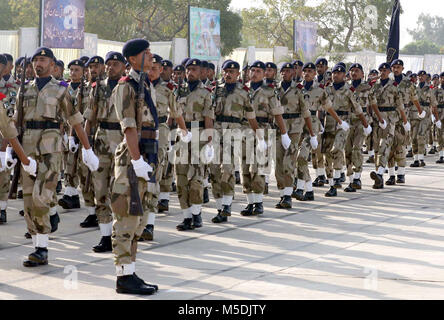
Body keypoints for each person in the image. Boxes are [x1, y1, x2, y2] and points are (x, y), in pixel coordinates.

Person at [14, 47, 98, 267]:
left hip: (51, 149)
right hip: (28, 147)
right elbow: (14, 123)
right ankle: (37, 242)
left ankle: (42, 249)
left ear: (52, 65)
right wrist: (8, 151)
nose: (38, 64)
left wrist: (86, 148)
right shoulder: (24, 90)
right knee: (29, 200)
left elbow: (75, 119)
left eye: (43, 60)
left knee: (41, 198)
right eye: (35, 60)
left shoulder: (61, 89)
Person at [111, 38, 159, 294]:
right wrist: (137, 159)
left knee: (139, 219)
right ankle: (123, 277)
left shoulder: (145, 83)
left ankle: (129, 272)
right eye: (146, 53)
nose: (151, 56)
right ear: (132, 58)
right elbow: (129, 127)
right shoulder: (126, 86)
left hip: (146, 157)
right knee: (127, 219)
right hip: (133, 159)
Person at [83, 52, 127, 252]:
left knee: (119, 191)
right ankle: (105, 235)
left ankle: (123, 233)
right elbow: (89, 118)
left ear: (123, 66)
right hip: (101, 140)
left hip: (122, 140)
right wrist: (86, 147)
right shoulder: (98, 88)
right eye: (108, 64)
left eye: (115, 64)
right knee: (100, 190)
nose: (111, 67)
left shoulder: (129, 87)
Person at [209, 60, 259, 223]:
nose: (228, 74)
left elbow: (251, 116)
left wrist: (258, 135)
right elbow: (209, 113)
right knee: (214, 170)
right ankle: (219, 207)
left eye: (232, 72)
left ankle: (227, 205)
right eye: (226, 71)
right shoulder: (216, 89)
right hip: (217, 130)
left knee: (228, 168)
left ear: (238, 74)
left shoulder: (244, 91)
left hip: (234, 131)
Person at [147, 54, 190, 237]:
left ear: (161, 70)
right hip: (139, 136)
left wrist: (184, 131)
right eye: (149, 68)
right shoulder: (137, 87)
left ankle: (149, 223)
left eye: (155, 68)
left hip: (160, 136)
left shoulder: (167, 90)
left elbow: (176, 112)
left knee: (153, 178)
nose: (151, 71)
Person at [240, 61, 288, 216]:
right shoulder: (242, 89)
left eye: (258, 71)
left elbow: (277, 113)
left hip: (264, 129)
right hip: (245, 130)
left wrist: (284, 133)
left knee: (259, 167)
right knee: (245, 167)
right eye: (252, 70)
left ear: (264, 73)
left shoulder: (269, 91)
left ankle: (259, 202)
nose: (254, 73)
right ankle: (250, 202)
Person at [295, 62, 345, 201]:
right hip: (297, 124)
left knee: (302, 156)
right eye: (305, 71)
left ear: (314, 73)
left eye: (310, 71)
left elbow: (328, 108)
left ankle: (302, 188)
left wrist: (339, 121)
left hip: (312, 125)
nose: (307, 73)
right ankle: (308, 189)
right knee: (298, 159)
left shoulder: (320, 90)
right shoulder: (297, 88)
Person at [174, 58, 214, 231]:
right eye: (188, 69)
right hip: (182, 136)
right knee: (181, 177)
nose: (190, 72)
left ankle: (197, 214)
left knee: (196, 177)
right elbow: (174, 114)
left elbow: (208, 119)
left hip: (199, 135)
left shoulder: (205, 93)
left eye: (194, 70)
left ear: (201, 72)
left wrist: (209, 143)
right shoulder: (177, 91)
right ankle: (187, 216)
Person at [323, 64, 372, 197]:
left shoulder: (349, 90)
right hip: (329, 124)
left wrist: (366, 124)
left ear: (343, 76)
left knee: (339, 149)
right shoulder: (327, 89)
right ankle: (333, 183)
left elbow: (358, 109)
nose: (335, 75)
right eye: (333, 73)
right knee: (328, 154)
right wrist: (320, 124)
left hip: (344, 124)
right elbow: (321, 107)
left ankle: (351, 178)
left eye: (339, 73)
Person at [274, 62, 316, 209]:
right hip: (278, 129)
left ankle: (287, 196)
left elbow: (306, 113)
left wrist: (312, 134)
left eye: (288, 71)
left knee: (289, 162)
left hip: (294, 130)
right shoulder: (275, 89)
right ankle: (282, 194)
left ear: (293, 73)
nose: (285, 73)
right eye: (283, 71)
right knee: (278, 164)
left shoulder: (298, 90)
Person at [368, 62, 410, 189]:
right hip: (377, 120)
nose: (383, 72)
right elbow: (370, 104)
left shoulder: (394, 86)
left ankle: (380, 173)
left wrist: (405, 121)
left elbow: (400, 105)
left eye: (385, 70)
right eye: (381, 70)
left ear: (389, 72)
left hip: (391, 119)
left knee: (385, 145)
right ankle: (384, 175)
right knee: (377, 148)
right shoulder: (374, 86)